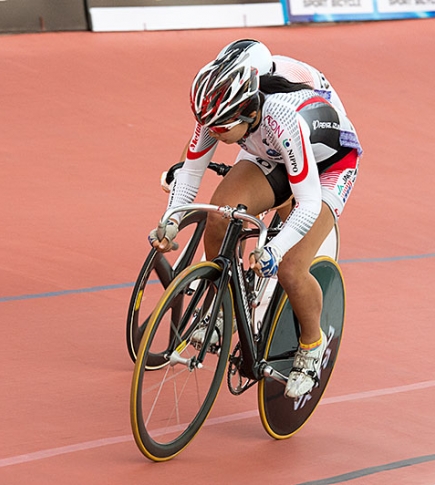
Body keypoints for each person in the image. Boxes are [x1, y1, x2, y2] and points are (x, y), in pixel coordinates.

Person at [149, 40, 362, 400]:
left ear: (244, 114)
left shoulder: (283, 117)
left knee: (292, 268)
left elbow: (308, 202)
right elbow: (190, 171)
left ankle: (311, 346)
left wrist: (275, 250)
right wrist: (170, 220)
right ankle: (223, 307)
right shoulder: (222, 110)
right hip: (270, 149)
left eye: (219, 129)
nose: (210, 133)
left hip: (327, 165)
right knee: (219, 215)